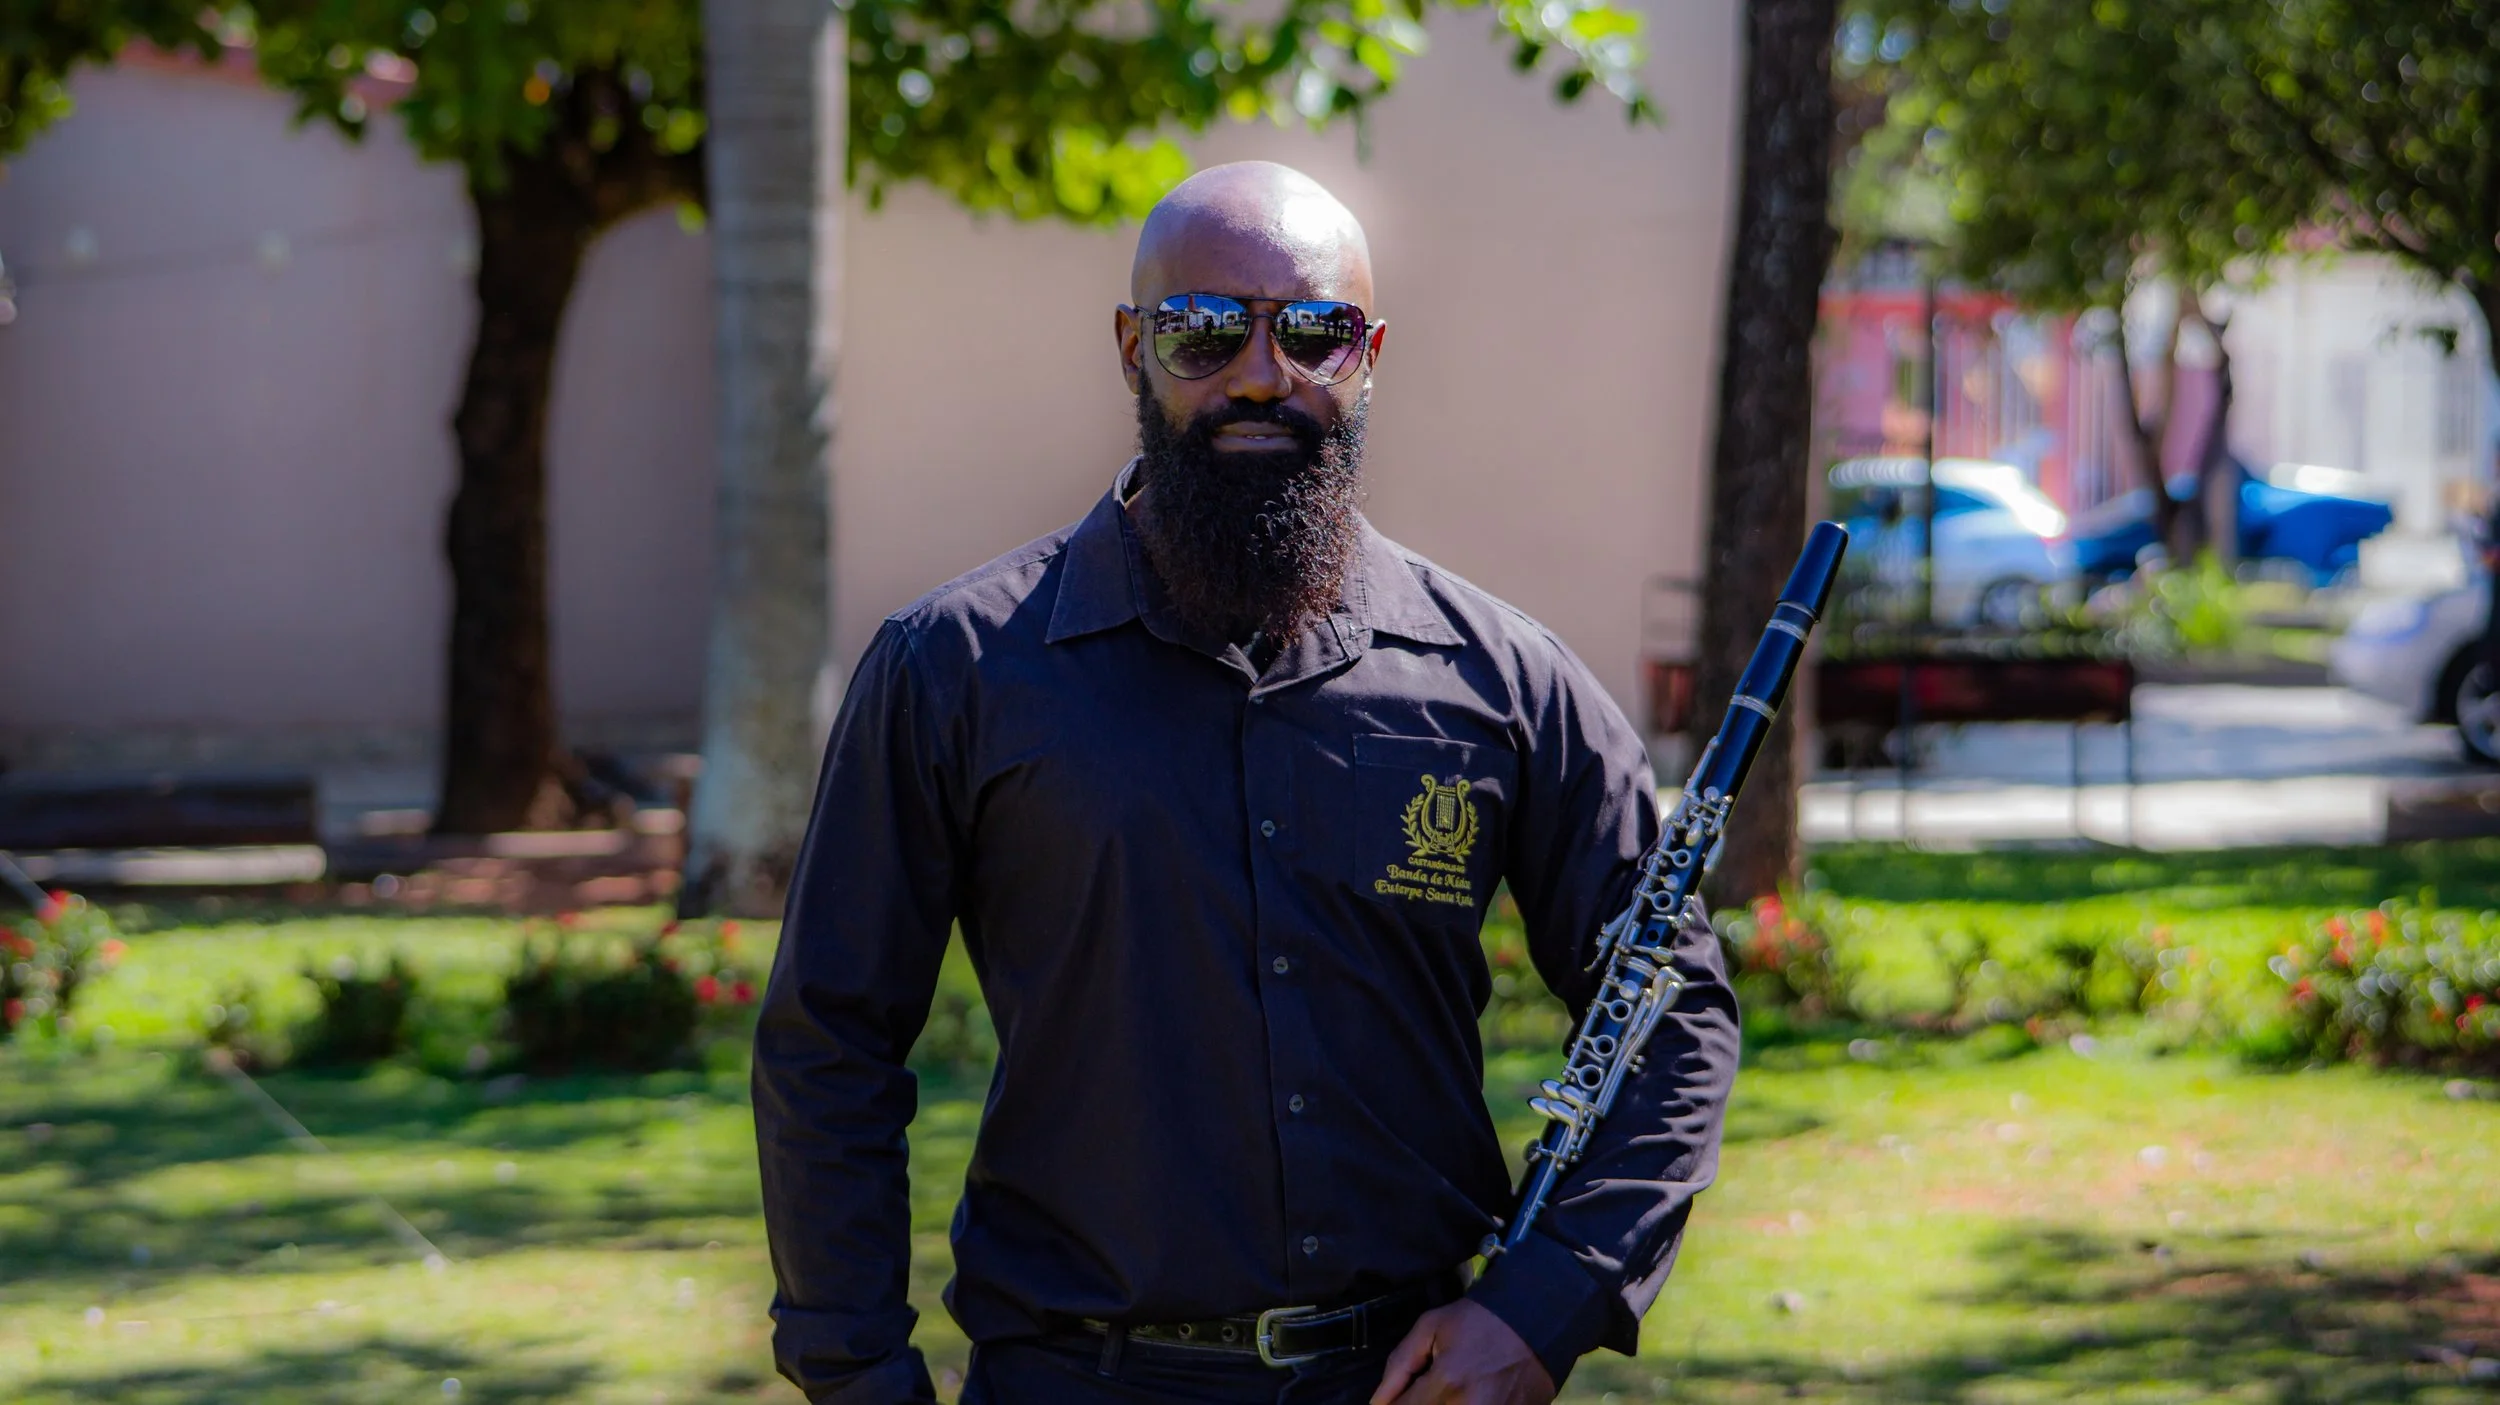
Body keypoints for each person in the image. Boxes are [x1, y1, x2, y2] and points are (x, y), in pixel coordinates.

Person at [753, 160, 1739, 1405]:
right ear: (1133, 349)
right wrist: (859, 1380)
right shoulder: (956, 669)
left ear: (1368, 355)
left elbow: (1670, 1010)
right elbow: (830, 1047)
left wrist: (1546, 1303)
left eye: (1314, 330)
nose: (1262, 375)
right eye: (1205, 330)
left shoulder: (1502, 680)